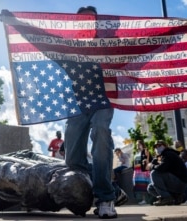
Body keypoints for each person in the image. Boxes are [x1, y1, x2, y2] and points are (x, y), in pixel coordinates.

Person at [63, 6, 127, 219]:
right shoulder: (68, 47)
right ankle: (113, 189)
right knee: (72, 160)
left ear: (97, 22)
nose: (86, 24)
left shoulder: (108, 43)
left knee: (101, 132)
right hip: (77, 104)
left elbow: (130, 55)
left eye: (90, 20)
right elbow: (42, 41)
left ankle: (106, 198)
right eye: (81, 20)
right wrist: (16, 23)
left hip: (103, 100)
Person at [147, 140, 187, 206]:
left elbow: (162, 168)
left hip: (180, 182)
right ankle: (175, 197)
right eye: (156, 147)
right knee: (150, 187)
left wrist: (151, 165)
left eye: (159, 145)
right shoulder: (161, 156)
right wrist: (154, 162)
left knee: (154, 173)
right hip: (174, 181)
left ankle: (166, 197)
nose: (157, 148)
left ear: (165, 146)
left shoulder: (168, 154)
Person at [133, 140, 152, 205]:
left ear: (142, 144)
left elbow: (148, 159)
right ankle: (143, 200)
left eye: (139, 144)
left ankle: (146, 200)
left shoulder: (145, 151)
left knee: (144, 185)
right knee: (139, 186)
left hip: (143, 172)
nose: (137, 146)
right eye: (137, 145)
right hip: (137, 172)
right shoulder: (136, 153)